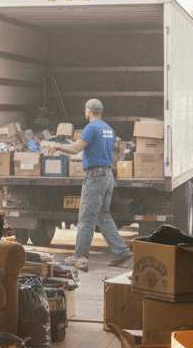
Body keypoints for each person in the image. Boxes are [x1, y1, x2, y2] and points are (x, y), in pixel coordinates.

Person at [47, 99, 131, 271]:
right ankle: (123, 253)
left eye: (85, 110)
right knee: (103, 216)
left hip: (95, 176)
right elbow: (93, 147)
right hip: (107, 176)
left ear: (88, 111)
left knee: (86, 216)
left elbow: (76, 149)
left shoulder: (91, 128)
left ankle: (80, 257)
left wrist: (56, 145)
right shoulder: (108, 129)